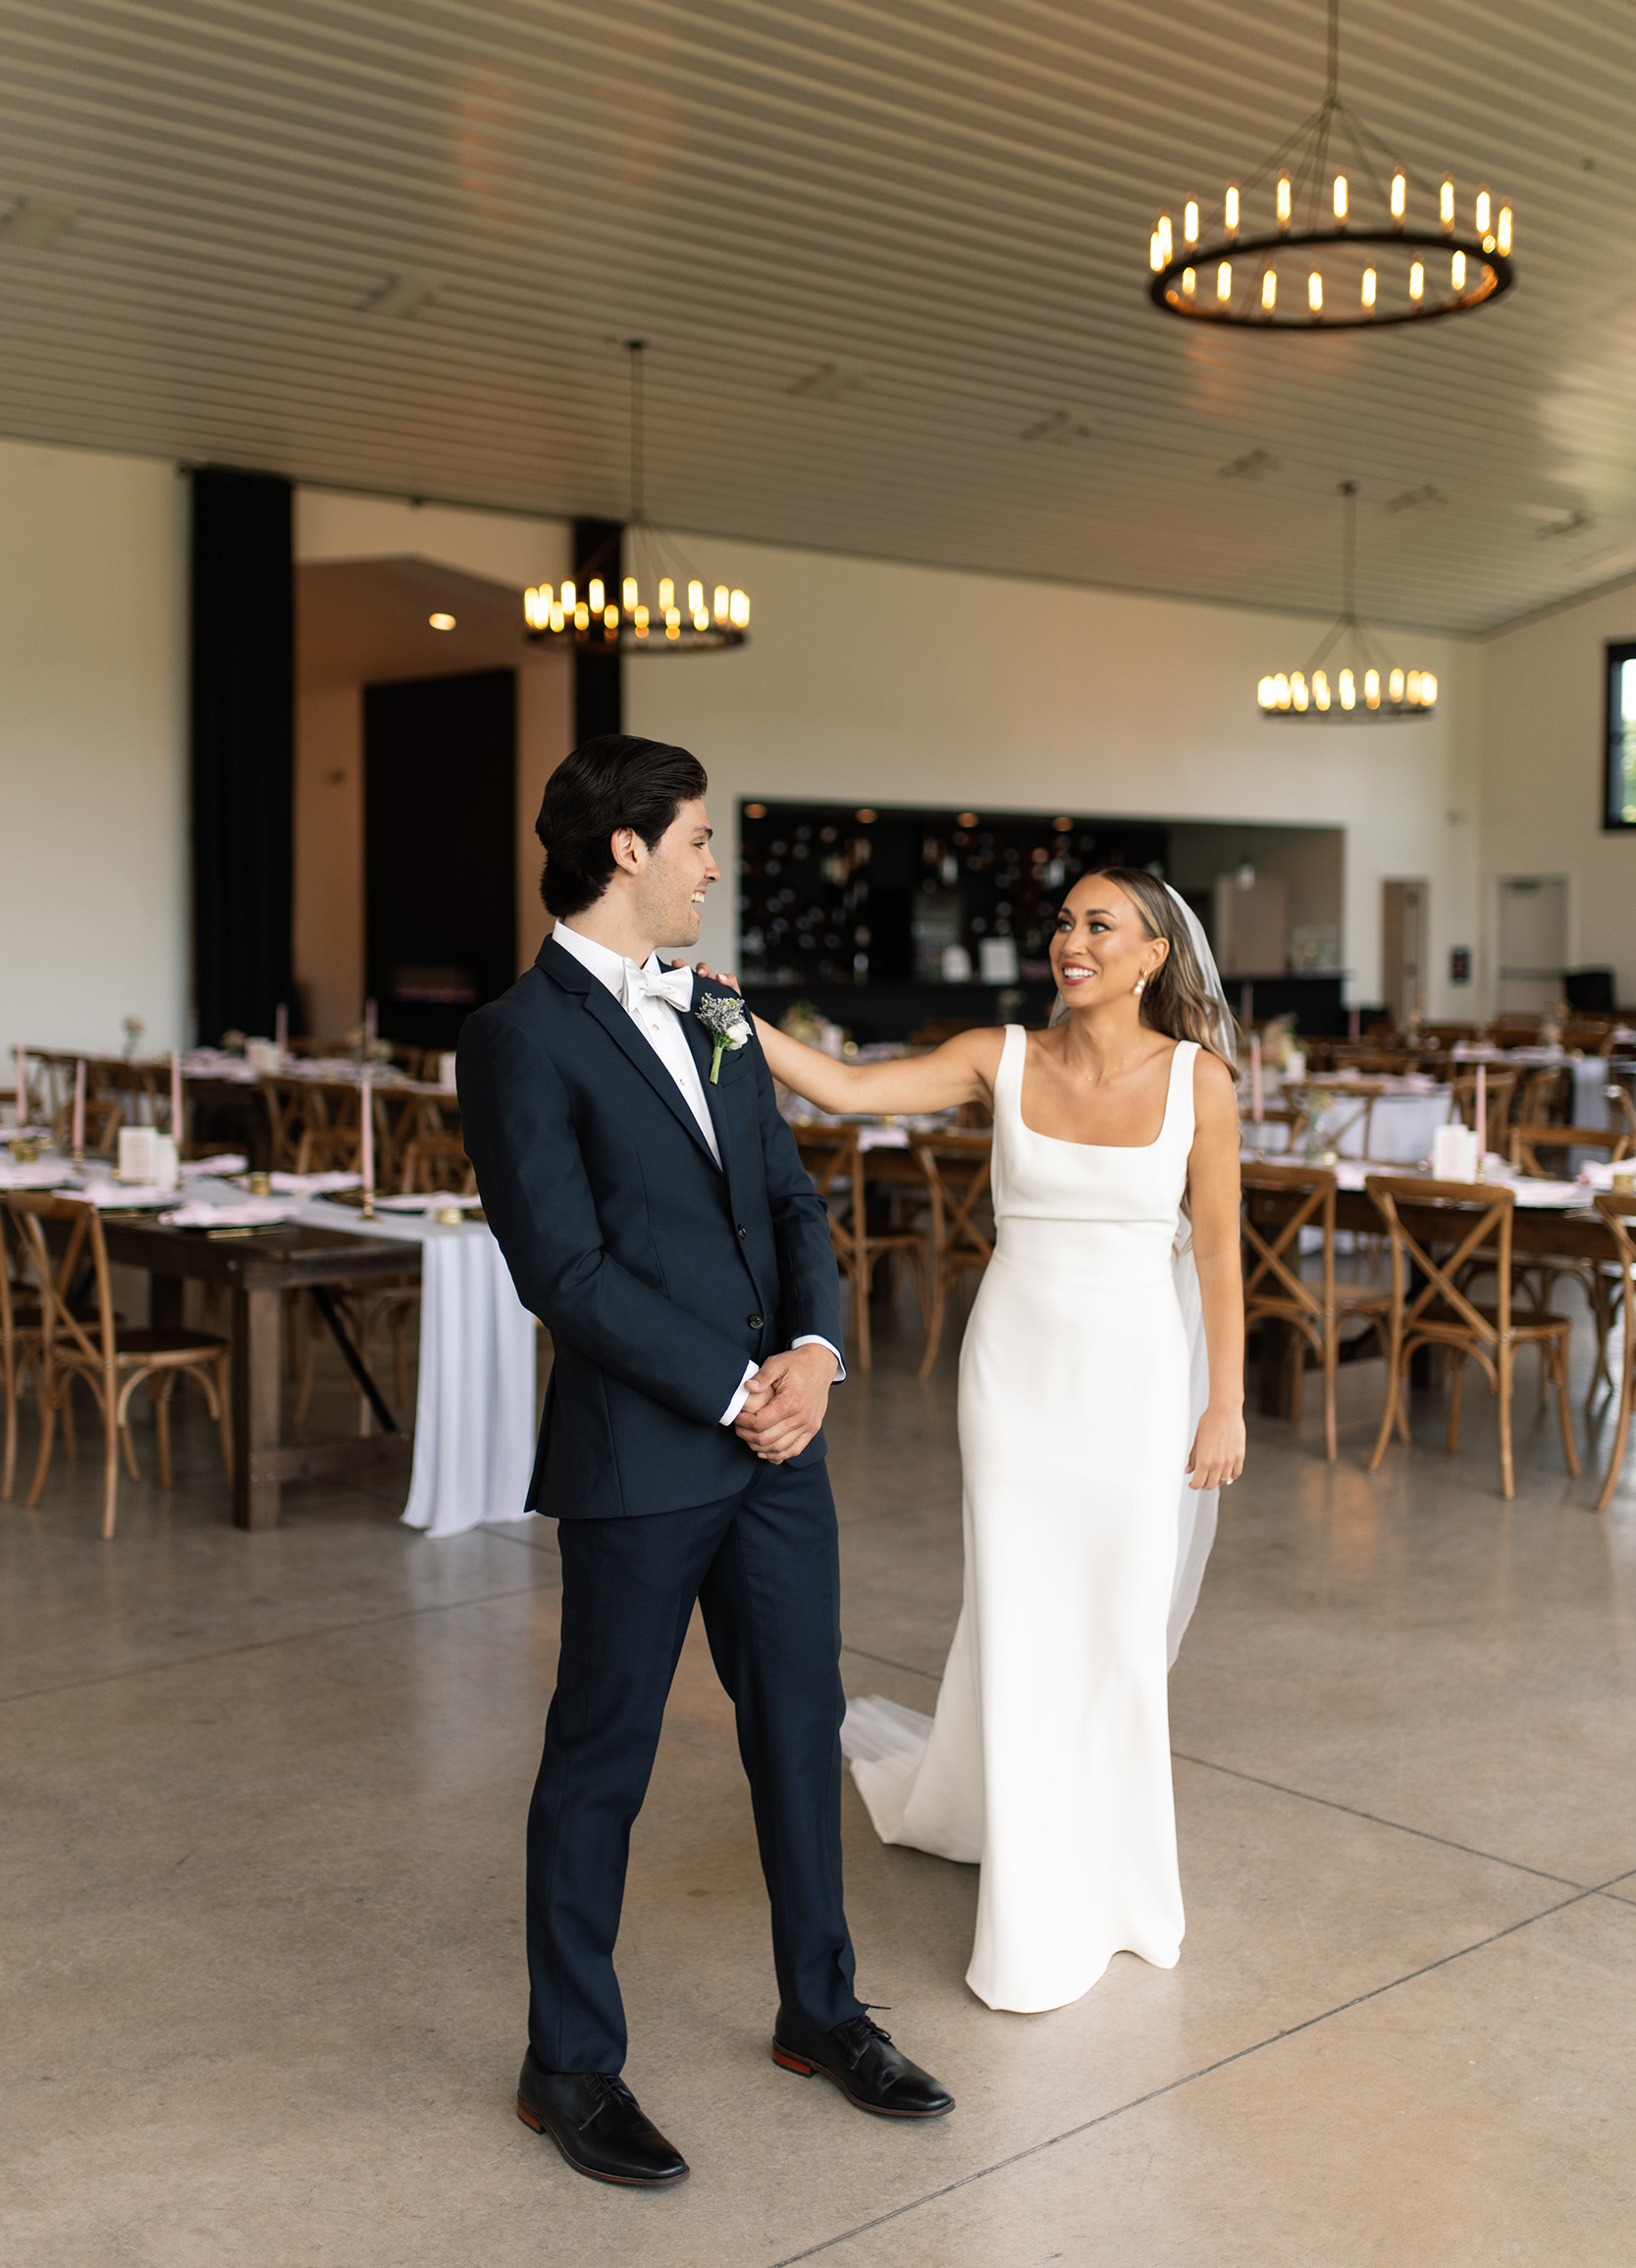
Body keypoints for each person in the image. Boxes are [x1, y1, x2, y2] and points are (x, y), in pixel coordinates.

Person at [456, 735, 953, 2193]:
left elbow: (794, 1201)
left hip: (777, 1450)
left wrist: (812, 1353)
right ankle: (567, 2067)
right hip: (641, 1453)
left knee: (799, 1729)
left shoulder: (721, 1014)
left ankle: (821, 2012)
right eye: (696, 841)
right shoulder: (516, 1035)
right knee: (599, 1757)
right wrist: (736, 1386)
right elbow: (563, 1268)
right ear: (625, 849)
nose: (710, 869)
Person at [742, 868, 1244, 2015]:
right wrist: (740, 1019)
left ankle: (1114, 1882)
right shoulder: (996, 1054)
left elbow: (1215, 1252)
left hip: (1134, 1380)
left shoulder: (1198, 1082)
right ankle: (1026, 1903)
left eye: (1096, 925)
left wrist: (1223, 1401)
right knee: (1017, 1608)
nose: (1070, 940)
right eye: (1062, 922)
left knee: (1115, 1620)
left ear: (1151, 953)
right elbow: (848, 1090)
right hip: (1013, 1373)